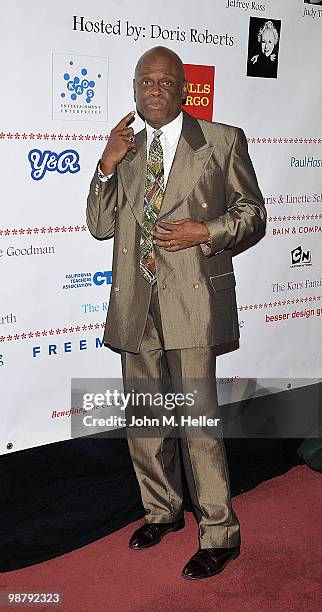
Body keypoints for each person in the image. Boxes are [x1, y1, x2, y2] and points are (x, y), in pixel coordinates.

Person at [86, 46, 266, 580]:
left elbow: (252, 213)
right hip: (135, 305)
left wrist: (204, 233)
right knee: (145, 419)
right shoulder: (128, 148)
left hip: (192, 304)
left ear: (184, 88)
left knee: (197, 424)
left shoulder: (220, 140)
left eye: (165, 81)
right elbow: (99, 225)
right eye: (145, 81)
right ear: (135, 90)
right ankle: (161, 511)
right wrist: (105, 164)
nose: (154, 89)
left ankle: (219, 532)